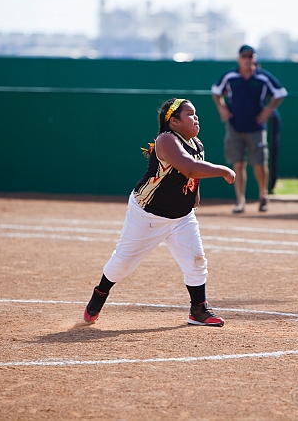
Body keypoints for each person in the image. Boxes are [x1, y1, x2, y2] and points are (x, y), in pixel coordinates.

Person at [83, 98, 235, 327]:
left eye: (195, 114)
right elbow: (190, 167)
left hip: (181, 215)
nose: (196, 118)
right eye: (189, 114)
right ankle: (99, 294)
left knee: (196, 260)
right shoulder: (166, 140)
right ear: (173, 122)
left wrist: (194, 196)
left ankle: (198, 310)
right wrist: (223, 169)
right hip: (148, 214)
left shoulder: (196, 143)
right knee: (124, 262)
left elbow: (194, 174)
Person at [211, 45, 288, 213]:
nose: (247, 59)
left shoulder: (263, 77)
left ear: (254, 58)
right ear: (239, 58)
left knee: (260, 164)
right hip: (234, 126)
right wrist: (221, 108)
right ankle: (240, 200)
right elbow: (216, 91)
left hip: (256, 128)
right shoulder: (230, 76)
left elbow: (280, 92)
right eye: (244, 56)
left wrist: (268, 110)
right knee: (237, 164)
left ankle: (263, 196)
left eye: (250, 56)